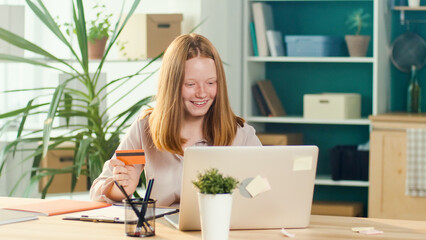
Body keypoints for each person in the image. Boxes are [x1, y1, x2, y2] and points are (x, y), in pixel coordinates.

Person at [90, 33, 262, 206]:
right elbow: (98, 189)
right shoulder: (145, 128)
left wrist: (248, 193)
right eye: (190, 84)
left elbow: (266, 185)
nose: (202, 93)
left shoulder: (240, 134)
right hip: (162, 229)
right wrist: (122, 188)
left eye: (211, 83)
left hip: (219, 228)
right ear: (171, 85)